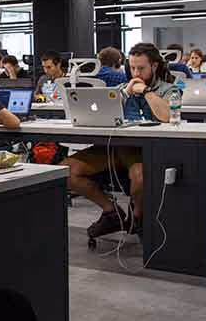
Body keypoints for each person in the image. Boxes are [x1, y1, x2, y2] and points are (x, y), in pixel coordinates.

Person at [63, 43, 179, 238]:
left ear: (155, 66)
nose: (136, 72)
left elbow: (167, 116)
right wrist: (125, 92)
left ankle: (138, 217)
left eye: (141, 68)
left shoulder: (169, 89)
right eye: (132, 67)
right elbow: (101, 113)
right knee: (66, 171)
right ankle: (111, 212)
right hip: (115, 148)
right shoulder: (120, 89)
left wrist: (146, 91)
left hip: (145, 151)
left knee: (139, 175)